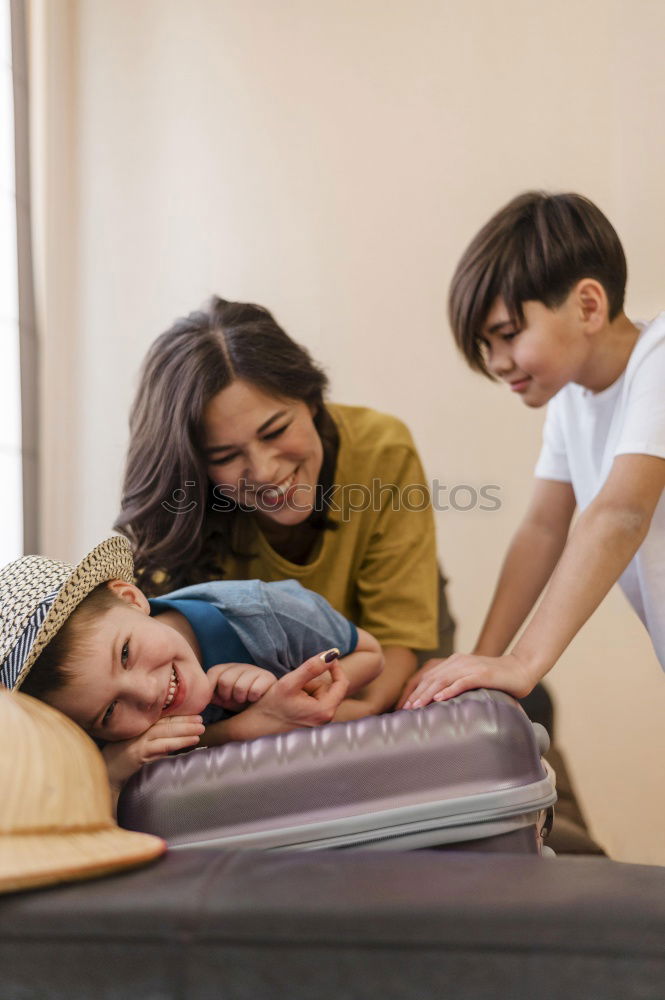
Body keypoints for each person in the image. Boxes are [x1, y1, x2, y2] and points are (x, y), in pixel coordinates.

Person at [115, 296, 454, 719]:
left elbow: (392, 655)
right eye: (224, 456)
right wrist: (265, 719)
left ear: (311, 398)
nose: (263, 471)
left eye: (275, 430)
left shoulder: (381, 449)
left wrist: (292, 720)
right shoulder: (182, 511)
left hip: (379, 679)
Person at [401, 190, 665, 710]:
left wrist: (523, 664)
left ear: (588, 305)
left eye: (507, 334)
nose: (498, 362)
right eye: (486, 346)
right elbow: (543, 528)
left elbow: (620, 513)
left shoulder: (660, 357)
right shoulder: (571, 399)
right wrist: (480, 660)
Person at [0, 536, 382, 802]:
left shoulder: (263, 615)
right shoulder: (102, 735)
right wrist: (111, 771)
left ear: (130, 598)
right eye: (110, 710)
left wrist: (288, 693)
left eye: (126, 654)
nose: (147, 692)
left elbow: (371, 655)